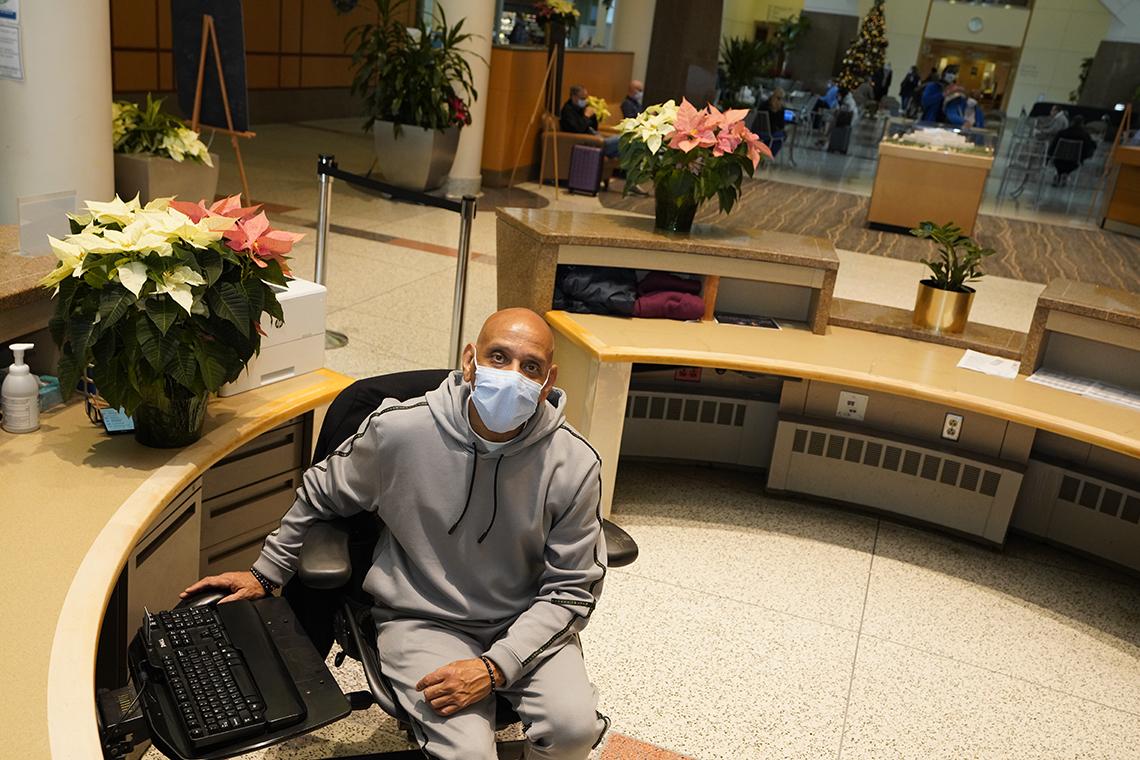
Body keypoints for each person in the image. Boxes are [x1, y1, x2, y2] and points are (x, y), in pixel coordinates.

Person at [181, 308, 610, 760]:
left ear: (549, 380)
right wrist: (268, 572)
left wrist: (495, 667)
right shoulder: (400, 431)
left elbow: (570, 592)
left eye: (531, 367)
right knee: (467, 754)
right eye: (498, 357)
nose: (511, 376)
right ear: (469, 361)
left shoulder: (575, 464)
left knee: (574, 729)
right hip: (422, 619)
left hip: (521, 619)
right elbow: (320, 492)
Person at [560, 84, 620, 157]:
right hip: (587, 143)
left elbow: (594, 127)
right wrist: (586, 116)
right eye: (582, 98)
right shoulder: (567, 111)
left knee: (622, 150)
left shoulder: (581, 108)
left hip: (595, 136)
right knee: (622, 139)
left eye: (586, 98)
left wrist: (593, 115)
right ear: (574, 97)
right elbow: (578, 129)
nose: (585, 101)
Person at [1050, 115, 1096, 185]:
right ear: (1082, 124)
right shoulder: (1085, 135)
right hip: (1074, 162)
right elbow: (1090, 147)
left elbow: (1053, 145)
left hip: (1058, 160)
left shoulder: (1061, 133)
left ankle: (1058, 174)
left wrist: (1049, 157)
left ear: (1072, 122)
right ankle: (1066, 175)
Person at [752, 86, 787, 156]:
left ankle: (765, 152)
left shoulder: (763, 105)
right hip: (769, 133)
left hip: (756, 130)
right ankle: (770, 154)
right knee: (783, 135)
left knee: (773, 136)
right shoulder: (780, 109)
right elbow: (781, 125)